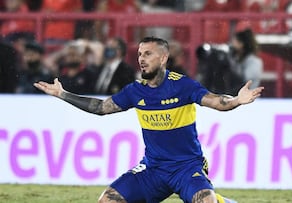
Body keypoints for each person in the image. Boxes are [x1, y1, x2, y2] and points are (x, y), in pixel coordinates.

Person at [34, 37, 264, 203]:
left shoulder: (182, 85)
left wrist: (235, 100)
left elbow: (216, 101)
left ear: (163, 58)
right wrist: (62, 94)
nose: (141, 59)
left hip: (186, 168)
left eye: (148, 54)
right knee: (107, 201)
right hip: (153, 169)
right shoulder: (135, 91)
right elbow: (101, 108)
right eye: (139, 54)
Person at [228, 28, 263, 95]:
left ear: (241, 44)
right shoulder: (235, 58)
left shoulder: (254, 61)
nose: (231, 45)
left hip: (248, 98)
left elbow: (247, 83)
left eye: (234, 42)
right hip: (235, 97)